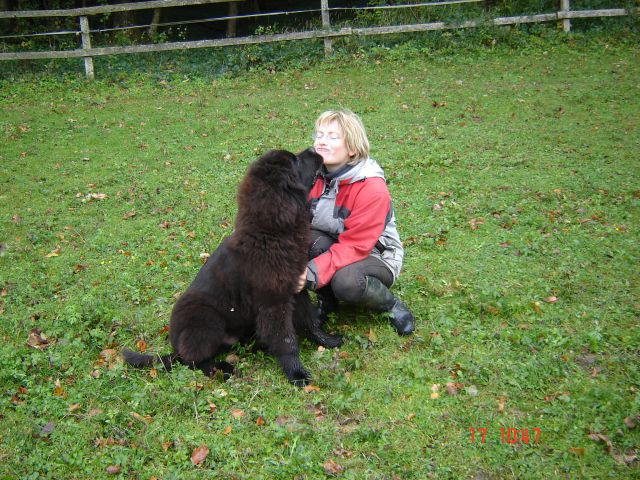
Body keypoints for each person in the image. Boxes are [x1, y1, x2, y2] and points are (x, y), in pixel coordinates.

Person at [300, 109, 415, 335]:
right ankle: (328, 301)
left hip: (373, 253)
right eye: (319, 135)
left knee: (347, 282)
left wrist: (309, 273)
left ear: (352, 149)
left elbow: (356, 246)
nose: (322, 142)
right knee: (300, 239)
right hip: (334, 241)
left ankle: (391, 305)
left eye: (333, 137)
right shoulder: (310, 174)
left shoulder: (371, 189)